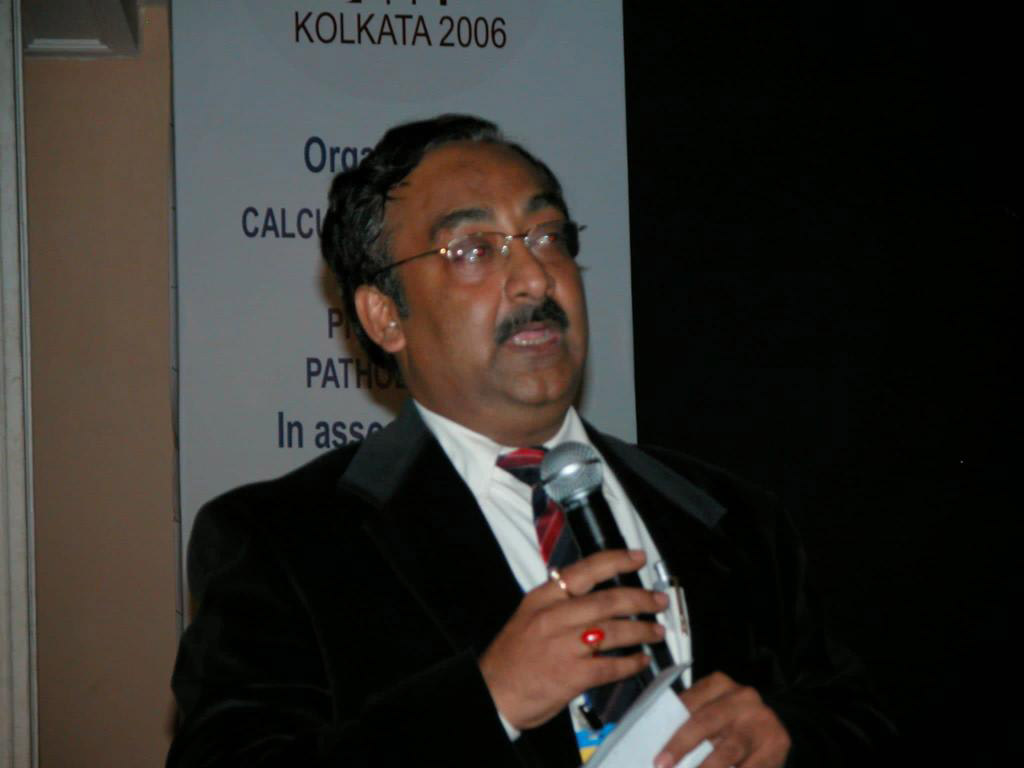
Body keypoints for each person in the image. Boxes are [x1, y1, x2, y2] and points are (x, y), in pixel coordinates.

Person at [167, 115, 892, 767]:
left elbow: (861, 722)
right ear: (385, 316)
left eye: (548, 237)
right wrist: (489, 700)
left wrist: (786, 737)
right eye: (472, 249)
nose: (535, 279)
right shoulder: (283, 542)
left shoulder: (734, 518)